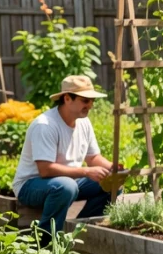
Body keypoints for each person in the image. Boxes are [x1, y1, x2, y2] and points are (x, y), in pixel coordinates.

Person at [12, 75, 115, 238]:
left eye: (91, 101)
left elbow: (93, 157)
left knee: (111, 183)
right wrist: (87, 172)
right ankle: (46, 243)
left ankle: (78, 233)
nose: (90, 105)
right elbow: (45, 170)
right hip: (31, 185)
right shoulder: (45, 125)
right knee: (66, 187)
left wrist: (114, 168)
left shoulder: (84, 122)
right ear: (67, 99)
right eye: (85, 100)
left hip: (67, 182)